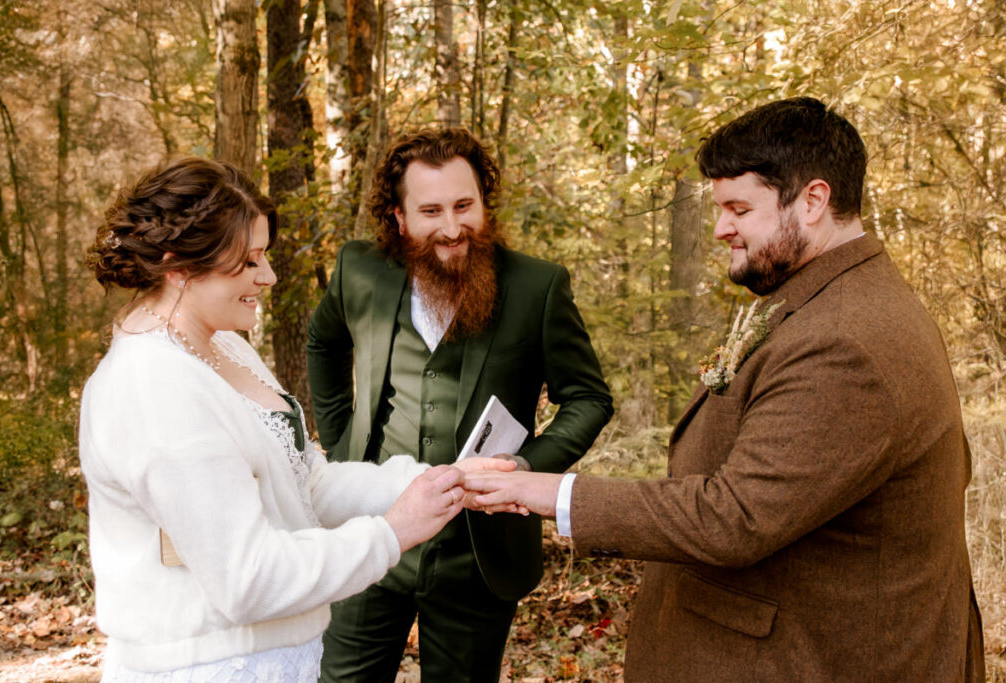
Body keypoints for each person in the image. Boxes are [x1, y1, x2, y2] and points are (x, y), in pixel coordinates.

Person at [465, 97, 985, 681]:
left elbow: (734, 517)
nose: (720, 229)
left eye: (739, 208)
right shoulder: (825, 297)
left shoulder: (847, 340)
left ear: (813, 200)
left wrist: (547, 493)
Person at [79, 157, 512, 681]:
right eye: (249, 262)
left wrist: (433, 481)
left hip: (283, 659)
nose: (269, 277)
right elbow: (247, 578)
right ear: (178, 266)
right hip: (209, 666)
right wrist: (392, 533)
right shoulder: (154, 387)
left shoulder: (224, 349)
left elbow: (305, 485)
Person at [307, 127, 613, 682]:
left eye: (464, 205)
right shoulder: (359, 270)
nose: (452, 228)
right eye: (431, 210)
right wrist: (339, 436)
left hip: (478, 554)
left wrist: (525, 470)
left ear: (483, 203)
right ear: (400, 218)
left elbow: (588, 398)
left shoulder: (537, 287)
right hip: (367, 537)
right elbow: (323, 343)